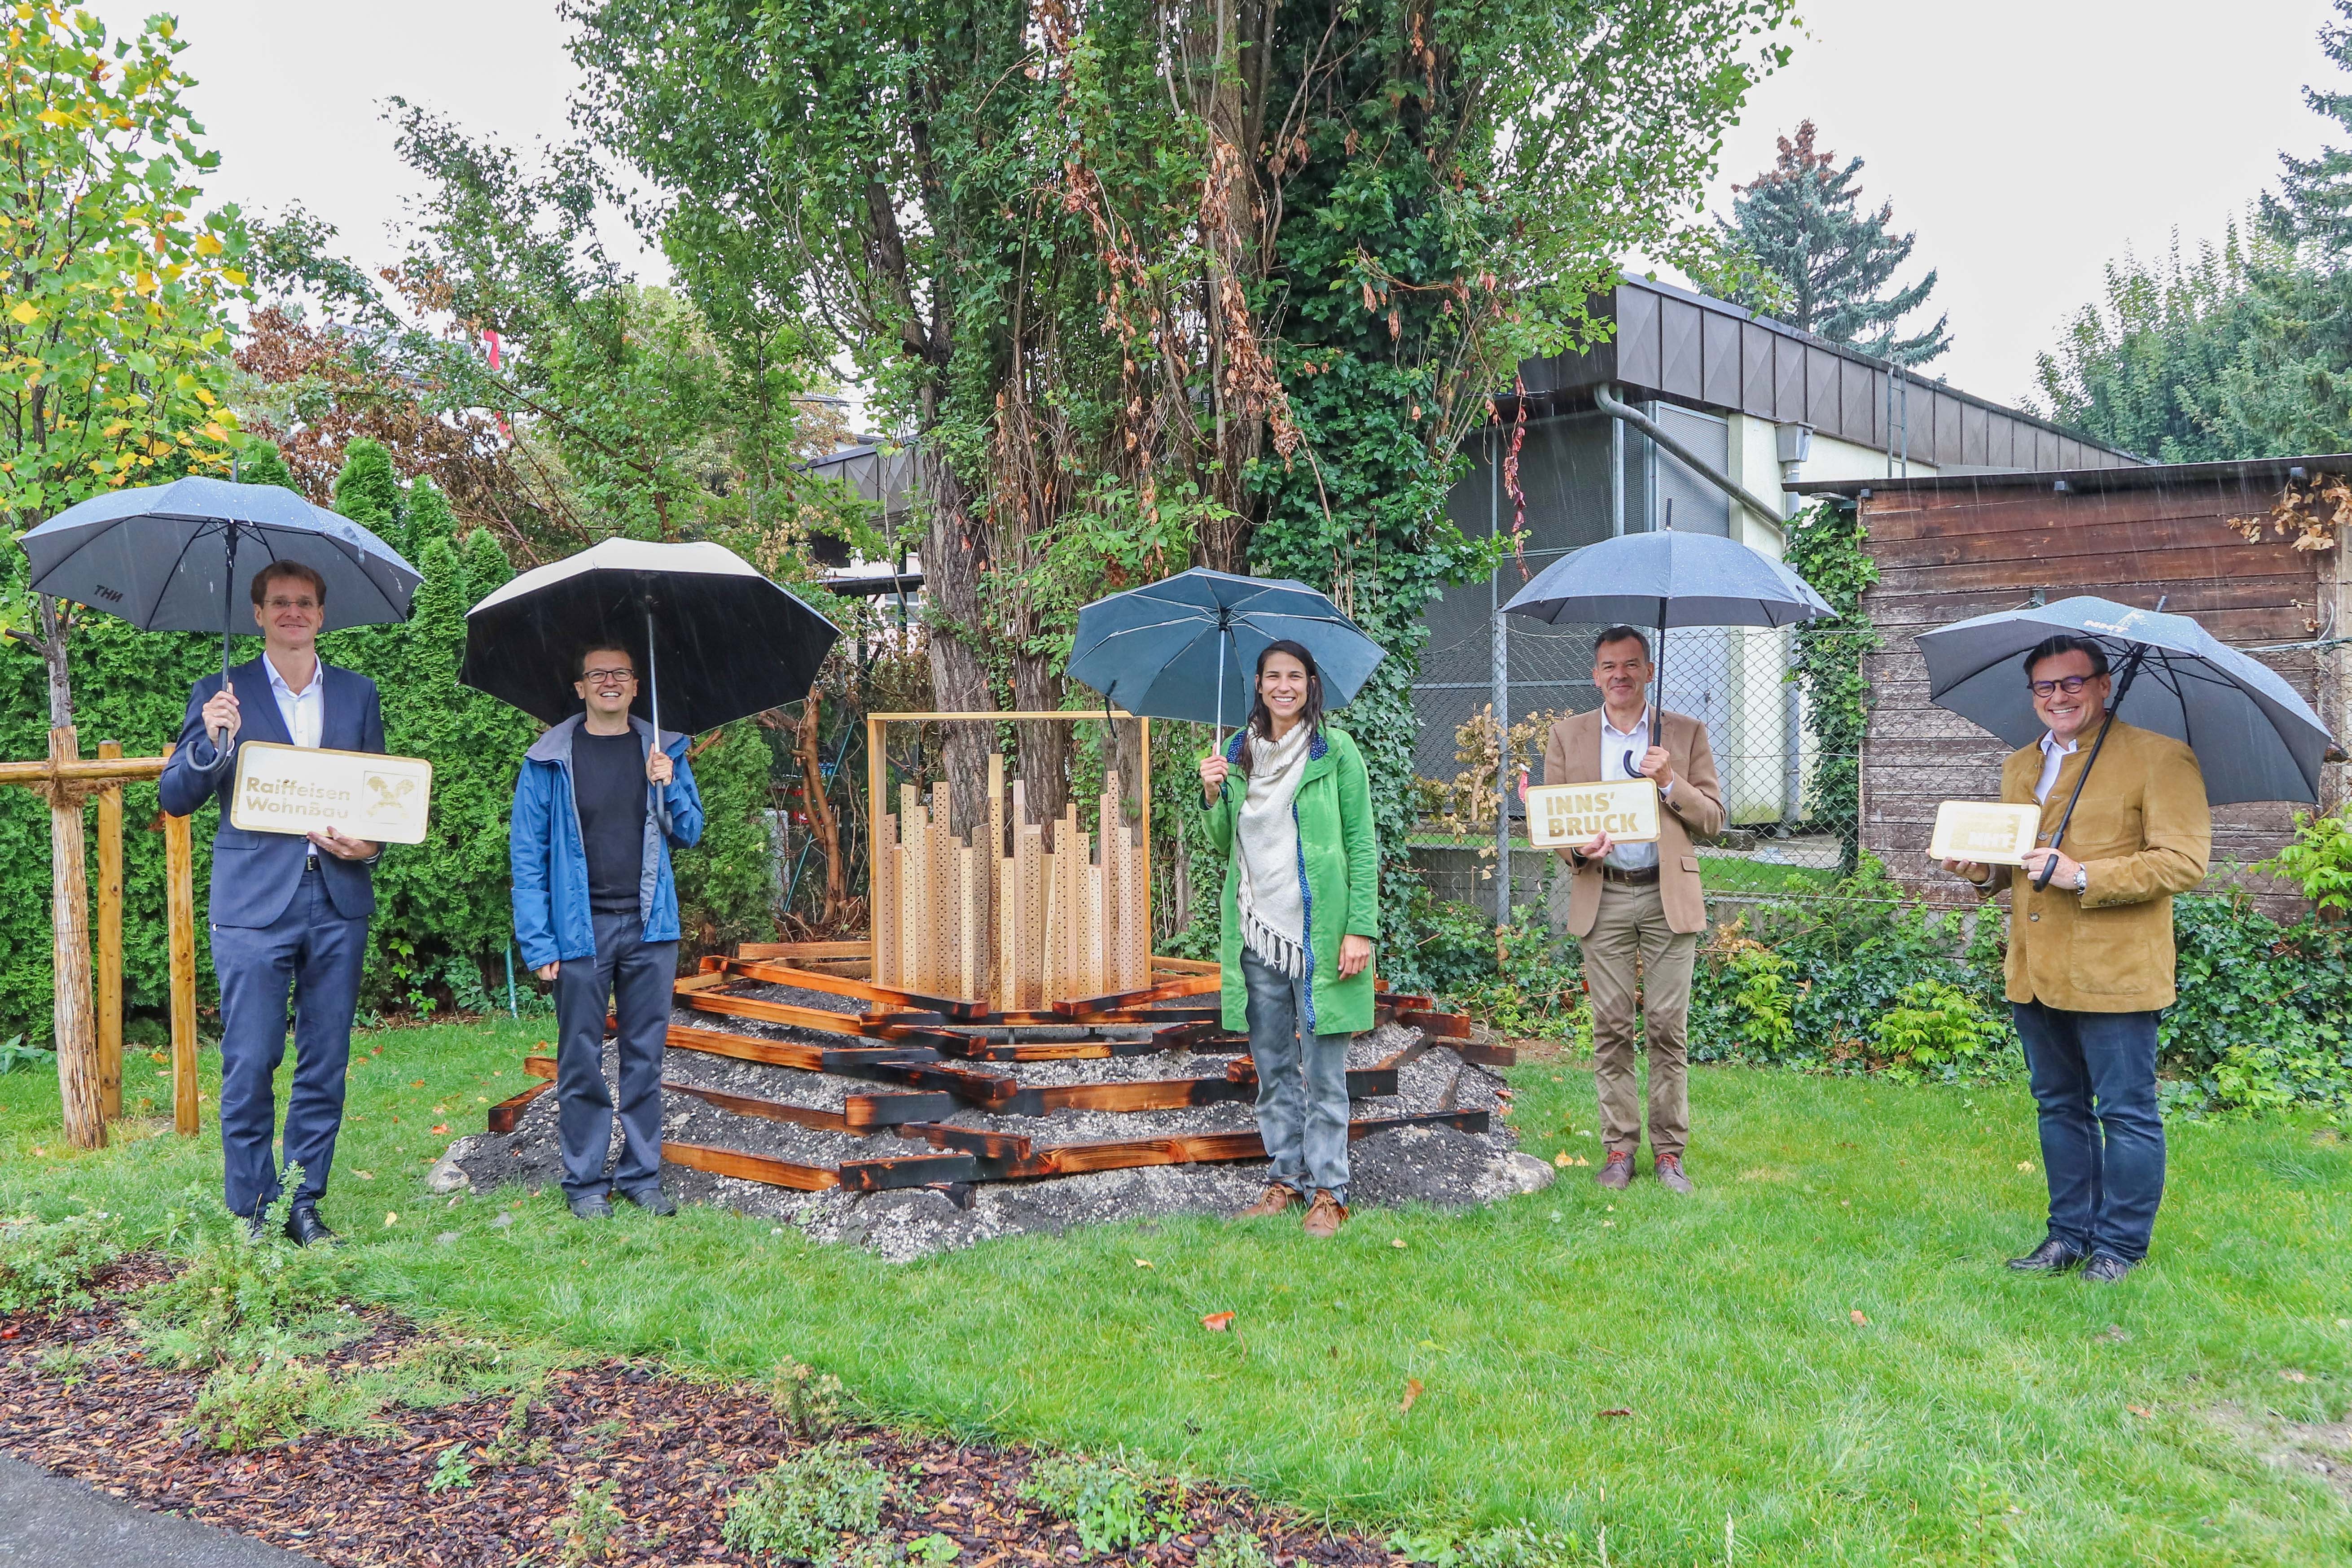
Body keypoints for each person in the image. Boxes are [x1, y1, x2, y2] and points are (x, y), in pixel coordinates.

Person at [1940, 635, 2209, 1282]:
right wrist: (1982, 873)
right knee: (2058, 1106)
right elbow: (2014, 867)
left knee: (2126, 1112)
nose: (2058, 697)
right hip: (2035, 972)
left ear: (2103, 685)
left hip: (2116, 972)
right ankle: (2067, 1236)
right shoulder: (2018, 766)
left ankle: (2119, 1247)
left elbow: (2184, 862)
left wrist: (2085, 874)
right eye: (2045, 687)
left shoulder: (2161, 758)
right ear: (2032, 694)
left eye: (2072, 683)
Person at [158, 561, 385, 1245]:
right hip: (254, 904)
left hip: (337, 898)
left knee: (326, 1057)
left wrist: (368, 847)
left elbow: (380, 798)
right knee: (252, 1057)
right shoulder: (219, 694)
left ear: (321, 614)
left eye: (305, 603)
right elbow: (175, 797)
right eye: (279, 602)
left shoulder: (356, 694)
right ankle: (255, 1205)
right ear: (256, 613)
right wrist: (208, 741)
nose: (293, 612)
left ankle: (303, 1200)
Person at [510, 643, 704, 1221]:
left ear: (637, 684)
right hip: (579, 931)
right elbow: (527, 856)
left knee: (645, 1057)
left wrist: (668, 783)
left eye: (621, 672)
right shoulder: (548, 760)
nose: (610, 681)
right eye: (597, 673)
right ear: (580, 688)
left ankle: (642, 1175)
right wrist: (539, 941)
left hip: (651, 927)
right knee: (580, 1058)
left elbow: (689, 831)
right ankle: (585, 1181)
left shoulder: (663, 749)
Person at [1198, 641, 1378, 1238]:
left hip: (1321, 934)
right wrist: (1212, 791)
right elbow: (1224, 840)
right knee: (1273, 1065)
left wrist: (1360, 928)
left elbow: (1361, 845)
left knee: (1324, 1069)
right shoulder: (1234, 752)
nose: (1283, 685)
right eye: (1273, 675)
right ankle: (1286, 1178)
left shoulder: (1337, 751)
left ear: (1310, 683)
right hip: (1257, 933)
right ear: (1257, 683)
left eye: (1294, 675)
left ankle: (1330, 1191)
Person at [1540, 626, 1725, 1193]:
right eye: (1607, 666)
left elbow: (1714, 820)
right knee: (1611, 1025)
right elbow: (1552, 825)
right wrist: (1577, 848)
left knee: (1668, 1027)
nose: (1618, 674)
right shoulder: (1566, 736)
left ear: (1648, 671)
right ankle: (1619, 1148)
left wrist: (1668, 779)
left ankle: (1669, 1153)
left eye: (1630, 664)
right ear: (1594, 675)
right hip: (1605, 891)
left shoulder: (1683, 734)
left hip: (1667, 892)